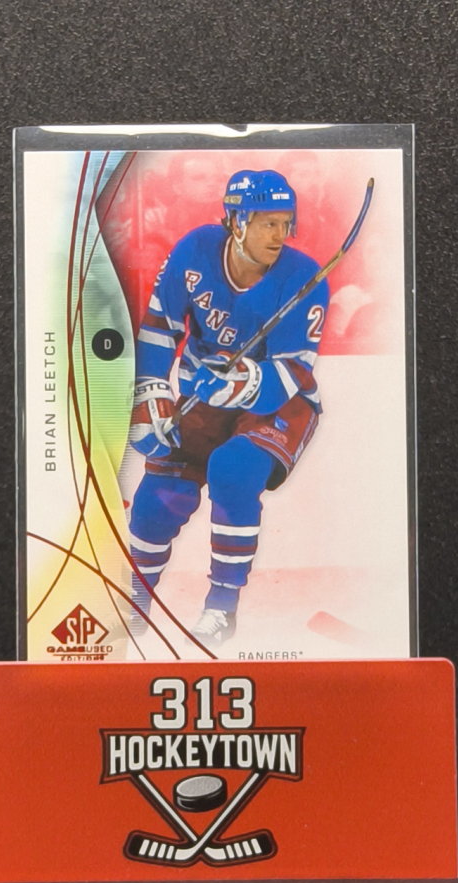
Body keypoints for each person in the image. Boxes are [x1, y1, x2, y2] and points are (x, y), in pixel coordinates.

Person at [127, 169, 329, 648]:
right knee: (158, 497)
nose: (280, 234)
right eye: (268, 223)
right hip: (204, 393)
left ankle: (221, 607)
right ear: (237, 221)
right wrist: (151, 394)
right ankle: (133, 599)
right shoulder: (195, 250)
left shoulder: (304, 278)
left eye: (285, 223)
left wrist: (240, 382)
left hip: (280, 401)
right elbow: (159, 327)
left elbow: (289, 373)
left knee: (233, 470)